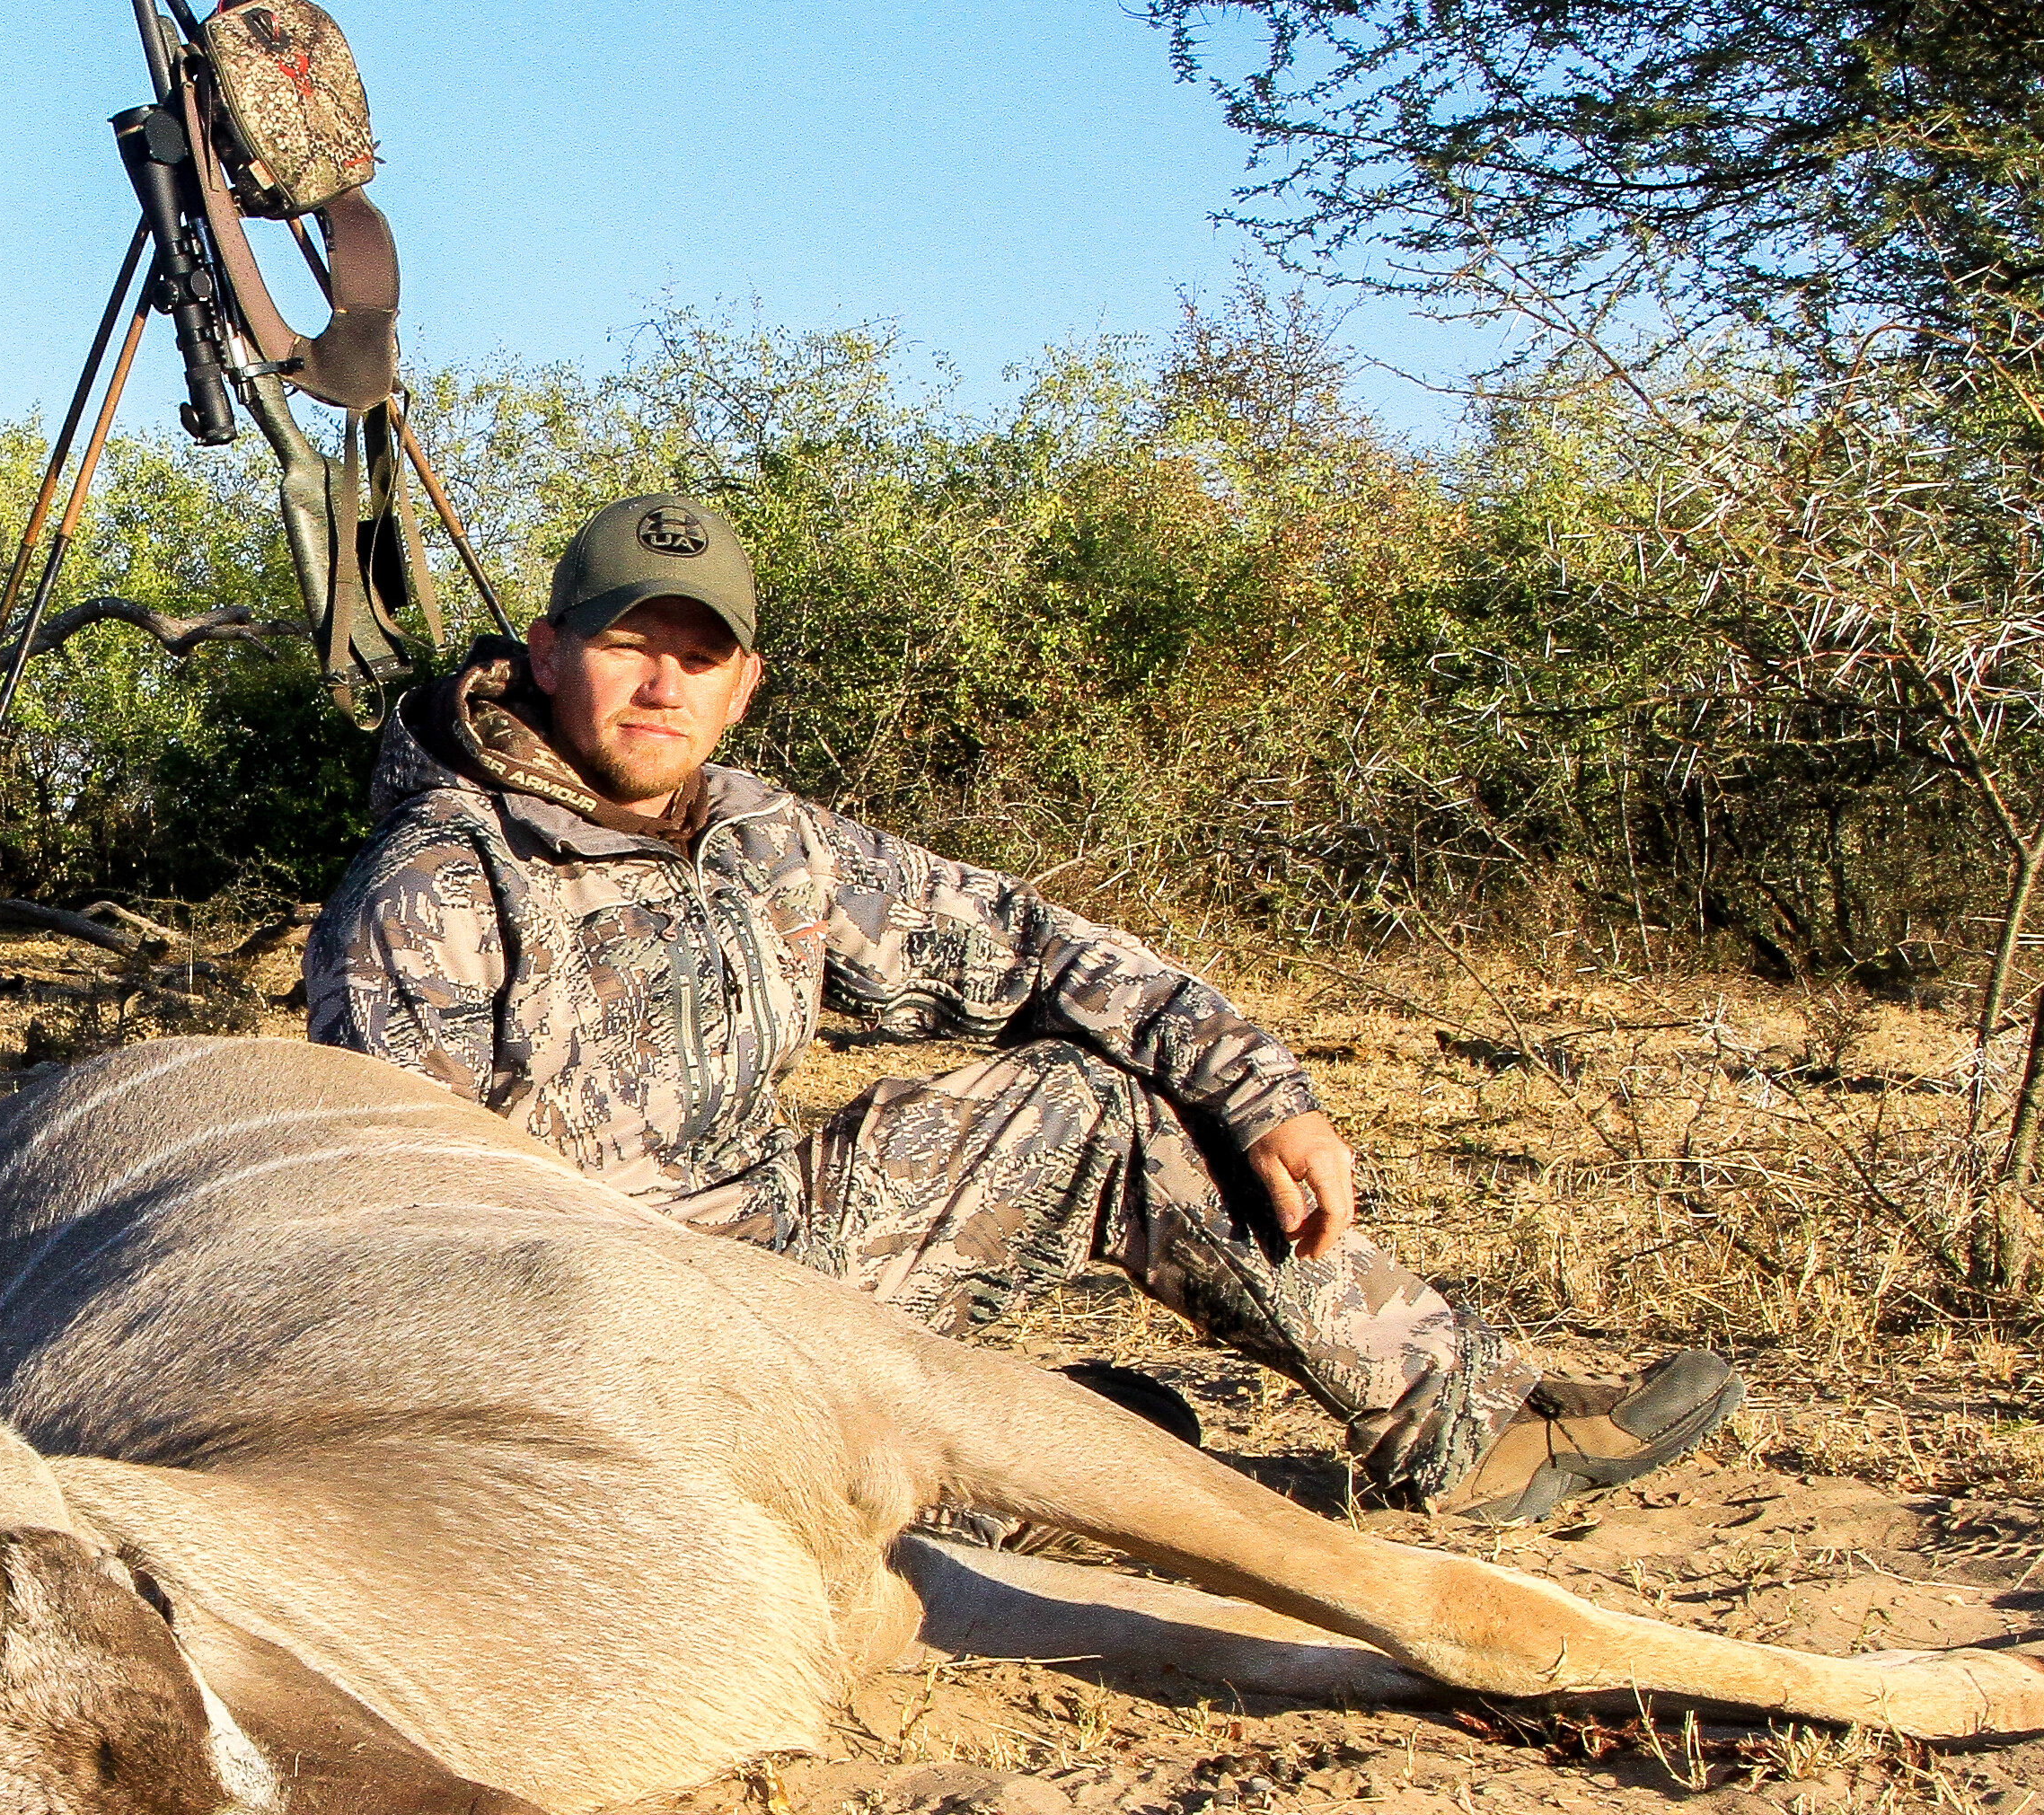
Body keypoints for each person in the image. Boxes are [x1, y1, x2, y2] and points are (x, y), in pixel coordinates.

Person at [304, 490, 1740, 1519]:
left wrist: (1257, 1083)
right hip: (592, 1344)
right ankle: (970, 1477)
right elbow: (410, 1233)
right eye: (627, 644)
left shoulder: (757, 831)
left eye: (698, 655)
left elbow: (1024, 943)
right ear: (551, 655)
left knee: (1096, 1104)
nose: (660, 682)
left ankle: (1468, 1425)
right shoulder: (436, 883)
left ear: (743, 687)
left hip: (770, 1251)